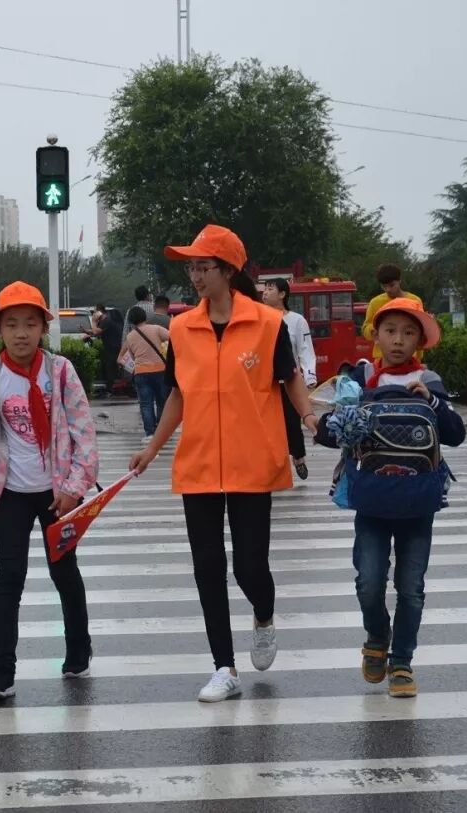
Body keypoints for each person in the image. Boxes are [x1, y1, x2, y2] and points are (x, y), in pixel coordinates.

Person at [130, 224, 319, 703]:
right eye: (191, 267)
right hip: (198, 465)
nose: (195, 275)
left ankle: (264, 614)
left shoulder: (268, 324)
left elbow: (290, 378)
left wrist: (309, 417)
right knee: (207, 567)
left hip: (253, 462)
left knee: (250, 567)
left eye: (203, 267)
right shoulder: (181, 328)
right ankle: (224, 667)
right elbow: (177, 395)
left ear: (229, 270)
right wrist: (152, 449)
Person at [316, 297, 465, 698]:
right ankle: (377, 637)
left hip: (417, 503)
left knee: (411, 588)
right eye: (390, 331)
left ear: (420, 341)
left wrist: (432, 401)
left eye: (408, 332)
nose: (398, 340)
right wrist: (336, 418)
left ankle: (401, 662)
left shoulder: (428, 379)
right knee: (369, 582)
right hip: (373, 500)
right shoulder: (361, 378)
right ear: (375, 336)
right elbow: (329, 434)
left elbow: (455, 434)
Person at [0, 281, 99, 701]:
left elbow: (84, 435)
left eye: (29, 323)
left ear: (43, 327)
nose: (21, 333)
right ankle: (0, 673)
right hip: (11, 492)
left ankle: (78, 650)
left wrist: (74, 488)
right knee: (8, 578)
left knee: (64, 573)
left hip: (58, 495)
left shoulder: (60, 372)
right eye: (11, 324)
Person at [262, 277, 318, 480]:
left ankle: (298, 457)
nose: (265, 292)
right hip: (265, 383)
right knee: (267, 426)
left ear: (282, 294)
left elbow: (305, 350)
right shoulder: (259, 318)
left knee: (292, 423)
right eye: (264, 289)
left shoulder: (297, 321)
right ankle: (272, 465)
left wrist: (309, 376)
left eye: (270, 289)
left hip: (289, 380)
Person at [119, 305, 170, 441]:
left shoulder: (130, 337)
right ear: (145, 317)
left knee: (146, 404)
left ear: (131, 321)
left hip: (141, 372)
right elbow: (172, 337)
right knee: (162, 401)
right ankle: (161, 431)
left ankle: (150, 433)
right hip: (160, 370)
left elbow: (131, 356)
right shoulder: (156, 329)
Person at [362, 263, 423, 362]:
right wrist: (379, 328)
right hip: (382, 358)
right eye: (384, 286)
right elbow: (365, 330)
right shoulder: (375, 303)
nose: (388, 290)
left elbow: (419, 330)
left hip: (409, 358)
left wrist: (418, 358)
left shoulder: (414, 301)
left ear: (399, 281)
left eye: (392, 285)